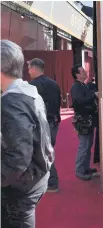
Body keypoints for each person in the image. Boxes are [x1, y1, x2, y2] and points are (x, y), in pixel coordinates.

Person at [1, 40, 54, 228]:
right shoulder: (29, 92)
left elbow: (18, 157)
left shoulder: (12, 101)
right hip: (36, 175)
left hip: (23, 184)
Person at [28, 58, 61, 192]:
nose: (28, 71)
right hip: (54, 123)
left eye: (29, 68)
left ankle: (51, 182)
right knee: (45, 152)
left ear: (35, 69)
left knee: (42, 153)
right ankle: (46, 180)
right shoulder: (54, 84)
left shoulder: (32, 86)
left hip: (42, 125)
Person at [71, 64, 98, 180]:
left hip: (88, 119)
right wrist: (93, 95)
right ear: (77, 75)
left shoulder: (83, 85)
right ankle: (80, 170)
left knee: (88, 145)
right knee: (84, 146)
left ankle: (85, 167)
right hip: (83, 120)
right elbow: (80, 101)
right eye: (82, 72)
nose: (85, 73)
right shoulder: (76, 87)